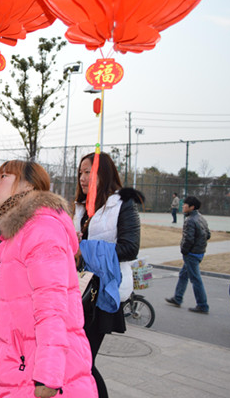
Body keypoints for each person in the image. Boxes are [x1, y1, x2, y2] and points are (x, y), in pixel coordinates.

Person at [0, 160, 96, 397]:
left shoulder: (41, 229)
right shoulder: (14, 235)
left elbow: (52, 308)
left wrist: (48, 375)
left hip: (38, 374)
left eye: (4, 177)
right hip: (17, 367)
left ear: (28, 185)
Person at [73, 152, 143, 398]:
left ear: (104, 174)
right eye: (80, 172)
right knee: (78, 359)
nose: (82, 178)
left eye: (88, 172)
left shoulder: (122, 204)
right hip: (77, 289)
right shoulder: (80, 206)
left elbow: (130, 248)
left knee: (83, 361)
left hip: (103, 292)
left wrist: (85, 249)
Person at [165, 196, 211, 314]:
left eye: (185, 204)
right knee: (183, 275)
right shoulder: (201, 217)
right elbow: (208, 234)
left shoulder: (190, 220)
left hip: (192, 254)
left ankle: (202, 305)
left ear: (192, 207)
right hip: (199, 252)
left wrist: (184, 251)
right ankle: (177, 298)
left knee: (196, 279)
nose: (183, 206)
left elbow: (188, 239)